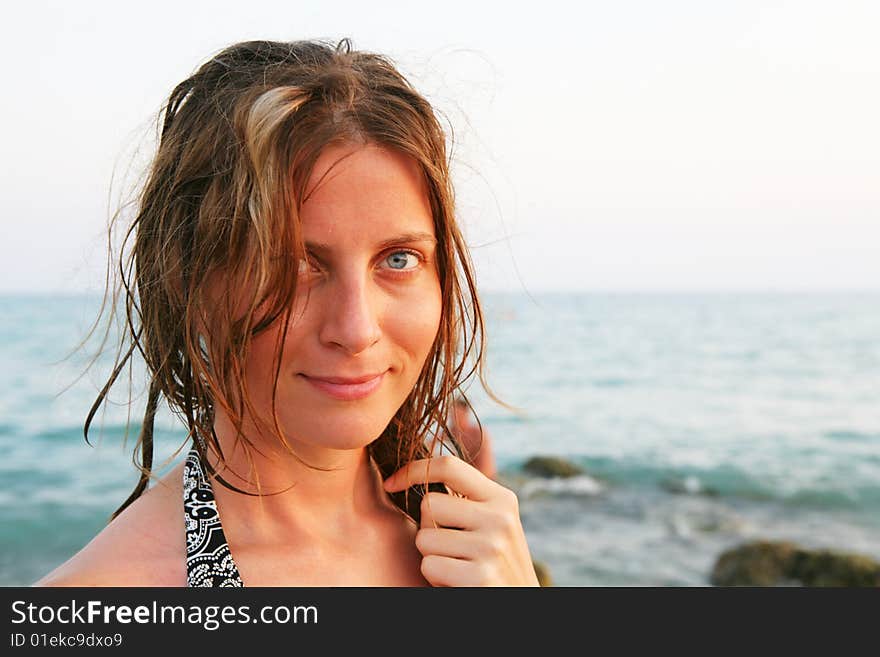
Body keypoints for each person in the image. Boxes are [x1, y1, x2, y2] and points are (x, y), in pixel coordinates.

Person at [35, 39, 539, 587]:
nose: (356, 329)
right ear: (189, 282)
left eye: (399, 259)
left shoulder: (471, 548)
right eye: (297, 264)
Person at [448, 397, 497, 480]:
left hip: (485, 479)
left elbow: (486, 470)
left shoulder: (478, 433)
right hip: (466, 477)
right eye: (451, 414)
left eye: (455, 414)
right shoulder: (451, 432)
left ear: (465, 412)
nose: (451, 417)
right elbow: (431, 444)